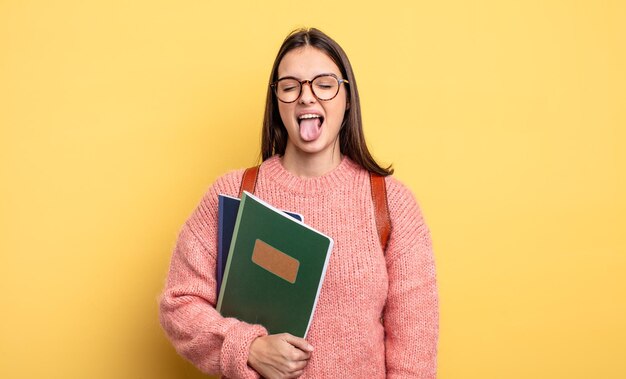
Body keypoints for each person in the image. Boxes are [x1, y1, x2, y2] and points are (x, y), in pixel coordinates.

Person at [159, 28, 438, 379]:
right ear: (277, 102)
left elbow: (415, 354)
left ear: (347, 97)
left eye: (324, 84)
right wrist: (248, 348)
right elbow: (179, 303)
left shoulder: (392, 204)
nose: (307, 97)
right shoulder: (233, 192)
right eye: (290, 87)